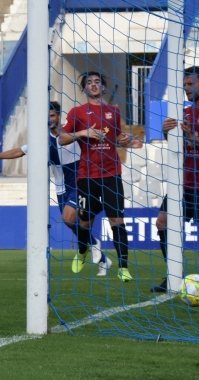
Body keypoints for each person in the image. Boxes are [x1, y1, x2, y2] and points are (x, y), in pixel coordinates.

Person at [0, 102, 110, 275]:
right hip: (61, 187)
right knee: (72, 223)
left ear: (58, 116)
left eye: (52, 116)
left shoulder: (71, 133)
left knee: (69, 218)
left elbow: (95, 142)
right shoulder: (41, 139)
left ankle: (93, 244)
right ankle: (101, 257)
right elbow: (19, 151)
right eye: (46, 117)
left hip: (80, 182)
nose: (49, 120)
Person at [59, 71, 143, 282]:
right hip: (87, 178)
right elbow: (61, 139)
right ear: (84, 88)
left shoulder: (113, 111)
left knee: (117, 221)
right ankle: (82, 251)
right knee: (85, 223)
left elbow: (118, 137)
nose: (94, 85)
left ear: (103, 87)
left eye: (97, 82)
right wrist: (82, 133)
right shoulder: (77, 112)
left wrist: (129, 141)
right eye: (89, 82)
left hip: (112, 175)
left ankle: (123, 267)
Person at [151, 66, 199, 294]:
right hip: (182, 183)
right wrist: (167, 131)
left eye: (191, 84)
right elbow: (177, 142)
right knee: (162, 223)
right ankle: (174, 276)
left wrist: (193, 136)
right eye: (185, 85)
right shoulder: (184, 112)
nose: (187, 89)